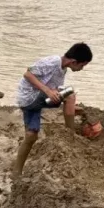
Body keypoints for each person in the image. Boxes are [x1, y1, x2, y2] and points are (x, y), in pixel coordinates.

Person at [12, 43, 93, 178]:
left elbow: (54, 93)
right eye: (82, 65)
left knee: (31, 136)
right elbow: (27, 74)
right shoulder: (52, 62)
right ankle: (70, 135)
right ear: (74, 61)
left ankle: (16, 172)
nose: (82, 69)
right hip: (29, 97)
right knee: (70, 94)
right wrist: (48, 91)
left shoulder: (63, 69)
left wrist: (69, 105)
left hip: (32, 103)